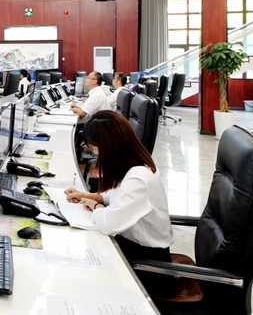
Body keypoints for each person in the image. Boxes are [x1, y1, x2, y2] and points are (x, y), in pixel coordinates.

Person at [64, 111, 174, 297]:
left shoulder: (139, 179)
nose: (95, 154)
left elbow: (108, 224)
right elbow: (116, 194)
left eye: (94, 149)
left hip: (147, 267)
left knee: (77, 274)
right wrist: (88, 196)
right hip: (133, 249)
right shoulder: (136, 165)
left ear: (108, 147)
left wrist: (97, 207)